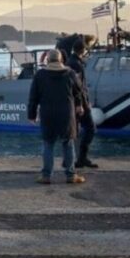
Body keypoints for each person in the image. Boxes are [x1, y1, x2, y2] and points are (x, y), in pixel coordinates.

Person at [28, 49, 86, 184]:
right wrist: (79, 105)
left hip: (47, 113)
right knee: (68, 143)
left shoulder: (40, 75)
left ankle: (46, 176)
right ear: (61, 60)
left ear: (47, 60)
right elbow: (79, 91)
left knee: (48, 144)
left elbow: (33, 97)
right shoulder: (70, 73)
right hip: (66, 113)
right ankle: (71, 175)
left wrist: (32, 115)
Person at [68, 39, 98, 168]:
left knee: (76, 131)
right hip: (79, 103)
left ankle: (78, 158)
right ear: (83, 50)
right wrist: (82, 103)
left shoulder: (72, 62)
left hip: (75, 102)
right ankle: (81, 158)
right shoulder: (76, 65)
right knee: (90, 128)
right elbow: (78, 86)